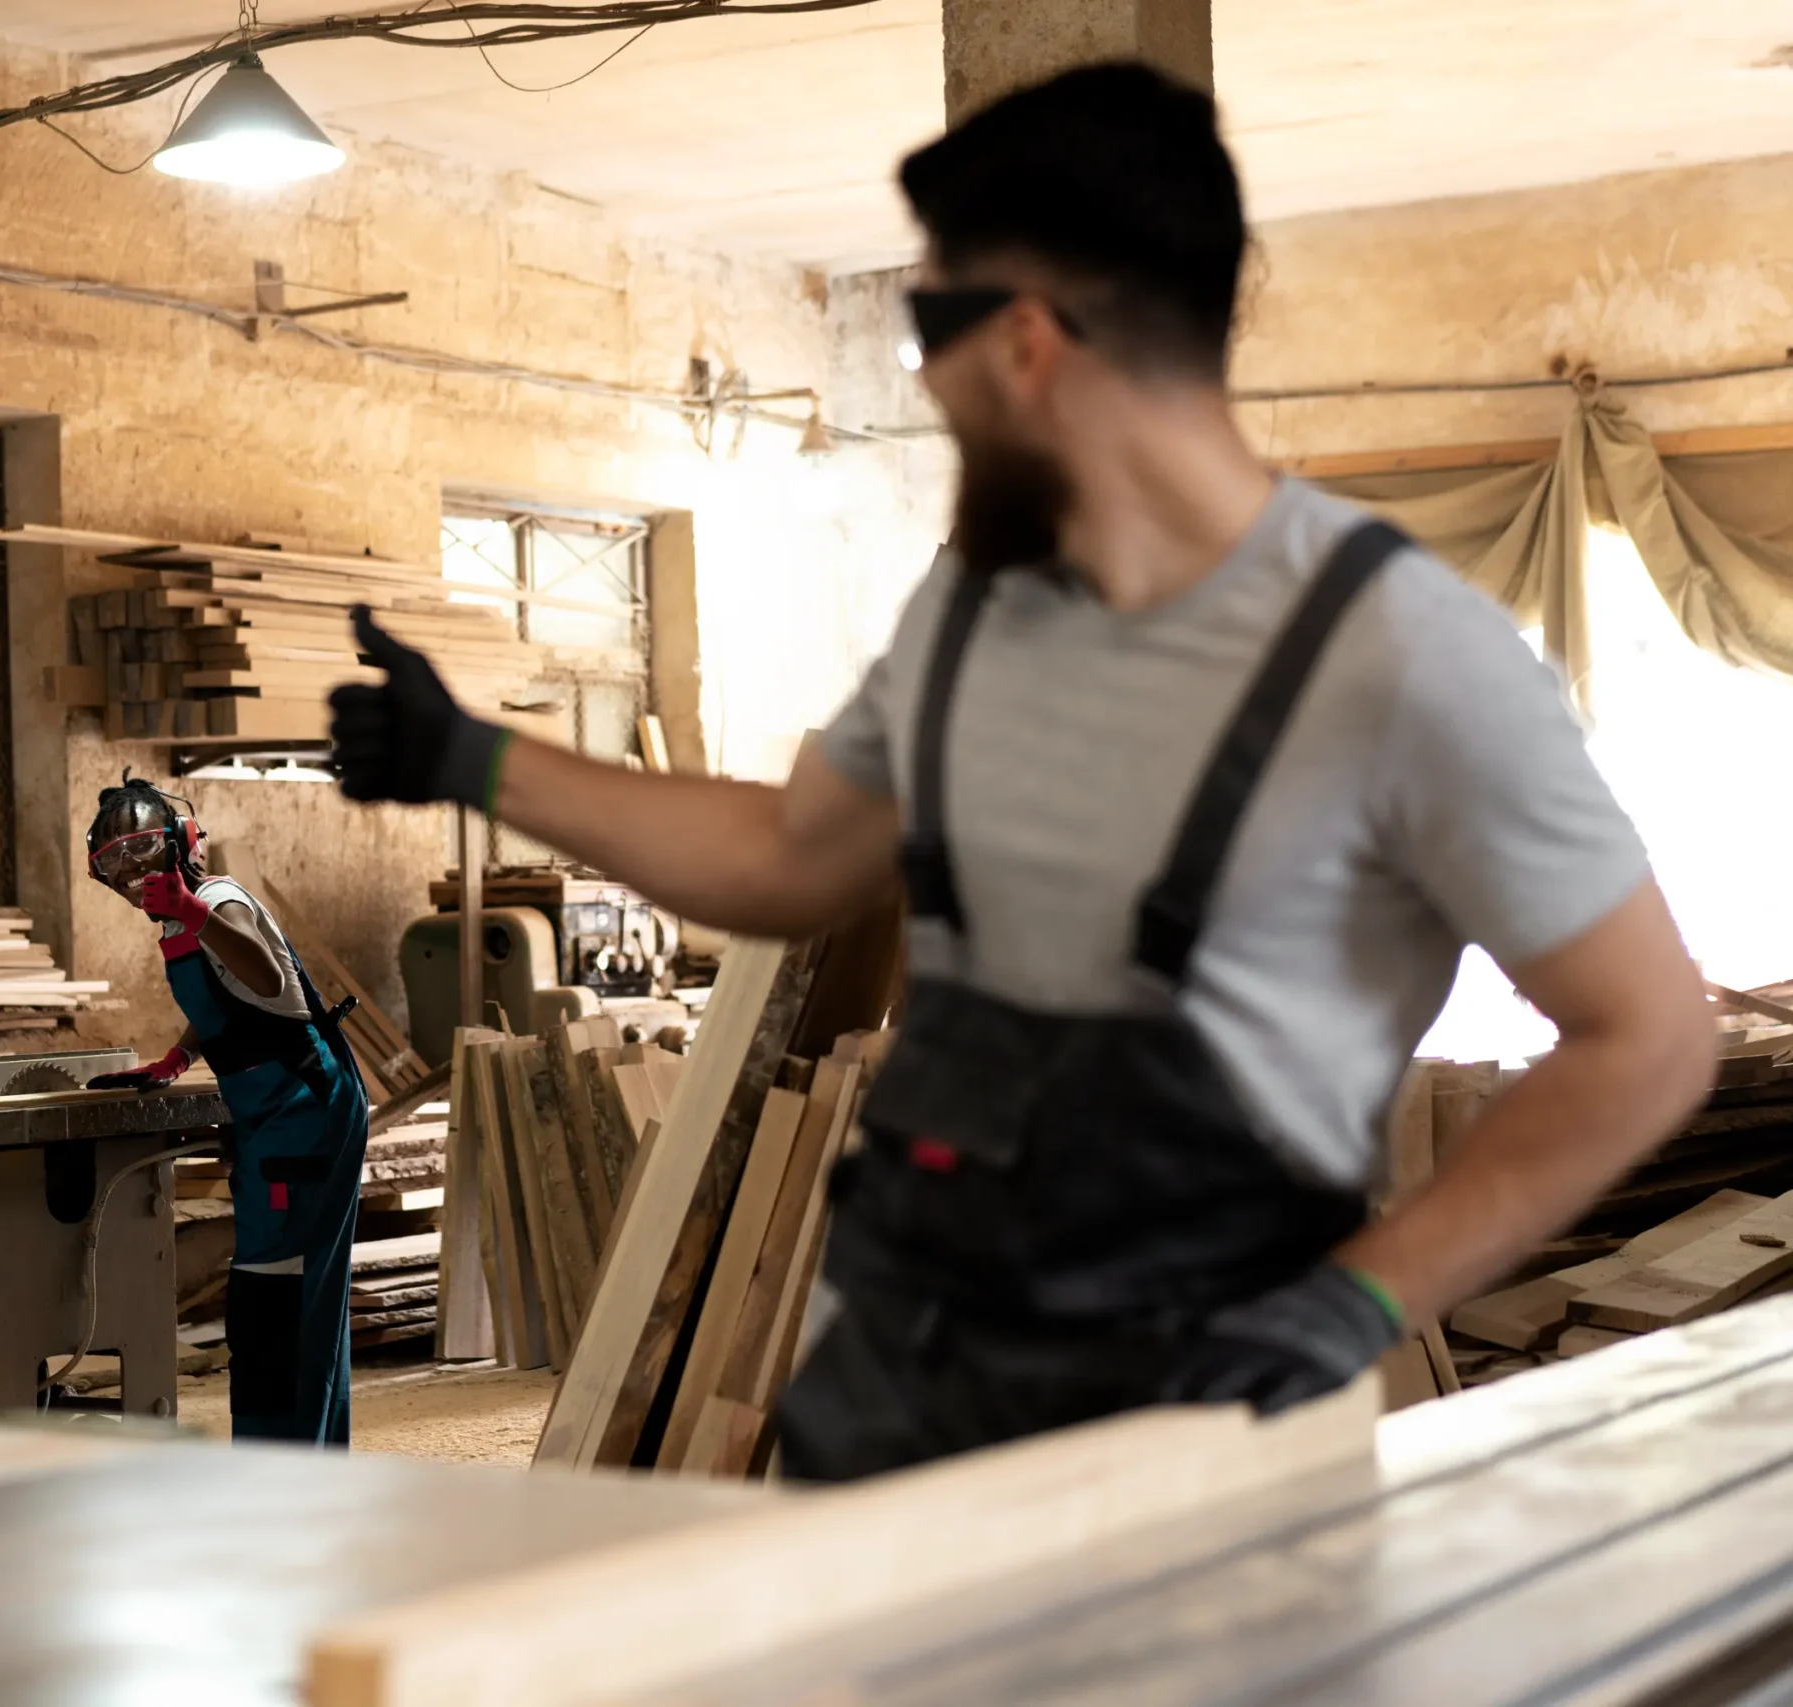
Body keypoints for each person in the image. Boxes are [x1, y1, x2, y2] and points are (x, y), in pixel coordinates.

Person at [322, 62, 1716, 1479]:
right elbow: (793, 854)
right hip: (899, 1376)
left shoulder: (1400, 653)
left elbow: (1648, 1034)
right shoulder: (976, 613)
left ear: (1030, 341)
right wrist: (475, 756)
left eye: (934, 322)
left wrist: (1364, 1291)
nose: (922, 374)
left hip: (1203, 1435)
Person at [83, 776, 368, 1445]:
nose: (133, 874)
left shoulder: (215, 899)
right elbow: (236, 1003)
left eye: (144, 852)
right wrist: (178, 1058)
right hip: (277, 1117)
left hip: (305, 1114)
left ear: (179, 845)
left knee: (276, 1299)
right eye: (116, 863)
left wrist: (195, 910)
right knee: (307, 1297)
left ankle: (278, 1467)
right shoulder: (184, 918)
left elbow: (267, 973)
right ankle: (314, 1461)